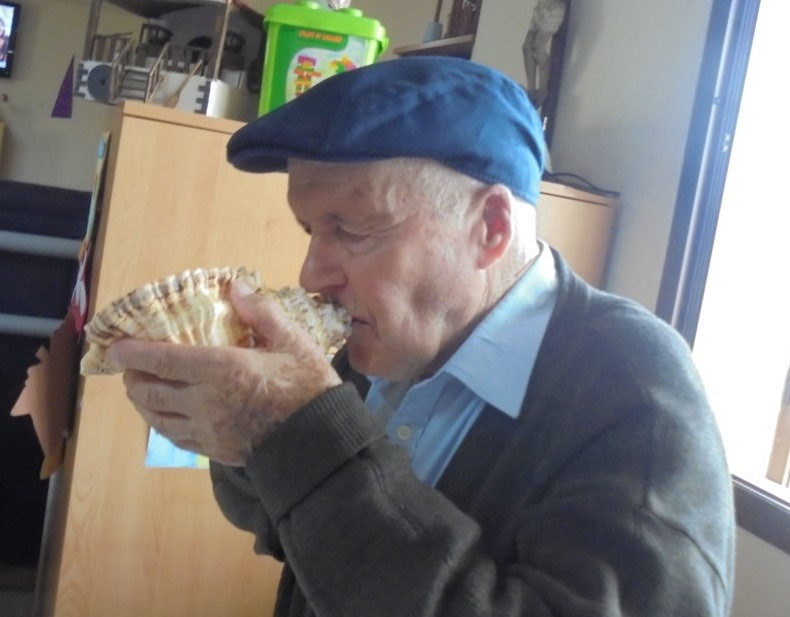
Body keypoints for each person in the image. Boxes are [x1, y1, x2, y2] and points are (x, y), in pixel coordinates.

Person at [107, 57, 735, 617]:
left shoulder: (636, 395)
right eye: (310, 230)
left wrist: (299, 434)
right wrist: (241, 430)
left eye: (353, 230)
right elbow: (293, 527)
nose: (312, 275)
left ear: (490, 228)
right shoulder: (386, 341)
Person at [523, 0, 567, 109]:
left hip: (552, 9)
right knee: (527, 47)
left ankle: (543, 89)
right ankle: (531, 89)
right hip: (541, 8)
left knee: (539, 46)